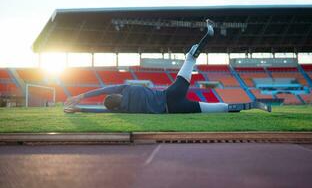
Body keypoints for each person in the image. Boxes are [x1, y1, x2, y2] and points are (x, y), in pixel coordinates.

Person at [64, 45, 271, 114]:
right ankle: (193, 53)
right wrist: (80, 97)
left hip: (174, 107)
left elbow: (100, 111)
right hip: (170, 93)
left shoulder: (125, 110)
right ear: (116, 95)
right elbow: (104, 90)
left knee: (217, 108)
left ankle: (252, 105)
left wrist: (80, 109)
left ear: (115, 107)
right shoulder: (125, 89)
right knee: (188, 65)